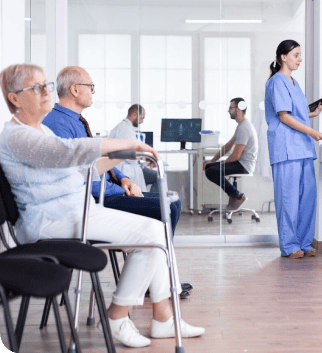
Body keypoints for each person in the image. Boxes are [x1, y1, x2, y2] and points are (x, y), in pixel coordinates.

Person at [0, 64, 204, 348]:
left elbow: (81, 169)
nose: (47, 92)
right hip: (50, 221)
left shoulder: (42, 130)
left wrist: (122, 155)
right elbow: (67, 152)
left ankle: (163, 318)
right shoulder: (16, 137)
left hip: (74, 212)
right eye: (37, 88)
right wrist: (127, 142)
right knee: (152, 234)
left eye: (45, 85)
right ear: (14, 98)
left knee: (156, 229)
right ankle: (118, 316)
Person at [42, 66, 191, 298]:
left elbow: (95, 160)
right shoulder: (58, 124)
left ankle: (157, 278)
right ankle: (156, 282)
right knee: (166, 207)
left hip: (109, 190)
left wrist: (124, 178)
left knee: (172, 203)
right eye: (90, 86)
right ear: (74, 89)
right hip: (95, 198)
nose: (93, 91)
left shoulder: (77, 121)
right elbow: (76, 175)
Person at [264, 40, 322, 259]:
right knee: (289, 199)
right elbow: (283, 117)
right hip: (287, 148)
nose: (299, 59)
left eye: (300, 55)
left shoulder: (294, 82)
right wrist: (313, 132)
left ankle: (304, 242)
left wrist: (314, 113)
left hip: (302, 147)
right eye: (296, 55)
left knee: (307, 197)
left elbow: (295, 113)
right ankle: (290, 245)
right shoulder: (277, 82)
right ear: (283, 57)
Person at [203, 98, 258, 211]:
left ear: (238, 109)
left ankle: (237, 196)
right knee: (209, 166)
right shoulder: (241, 126)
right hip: (240, 163)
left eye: (230, 108)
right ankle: (234, 195)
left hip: (244, 166)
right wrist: (213, 161)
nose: (228, 111)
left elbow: (236, 156)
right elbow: (228, 146)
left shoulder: (244, 128)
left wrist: (220, 163)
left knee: (210, 171)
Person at [108, 104, 158, 192]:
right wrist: (145, 158)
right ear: (134, 115)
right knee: (158, 176)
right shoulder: (125, 130)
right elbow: (131, 157)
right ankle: (157, 203)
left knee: (153, 175)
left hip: (125, 166)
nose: (141, 121)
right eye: (142, 118)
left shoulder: (123, 127)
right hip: (124, 169)